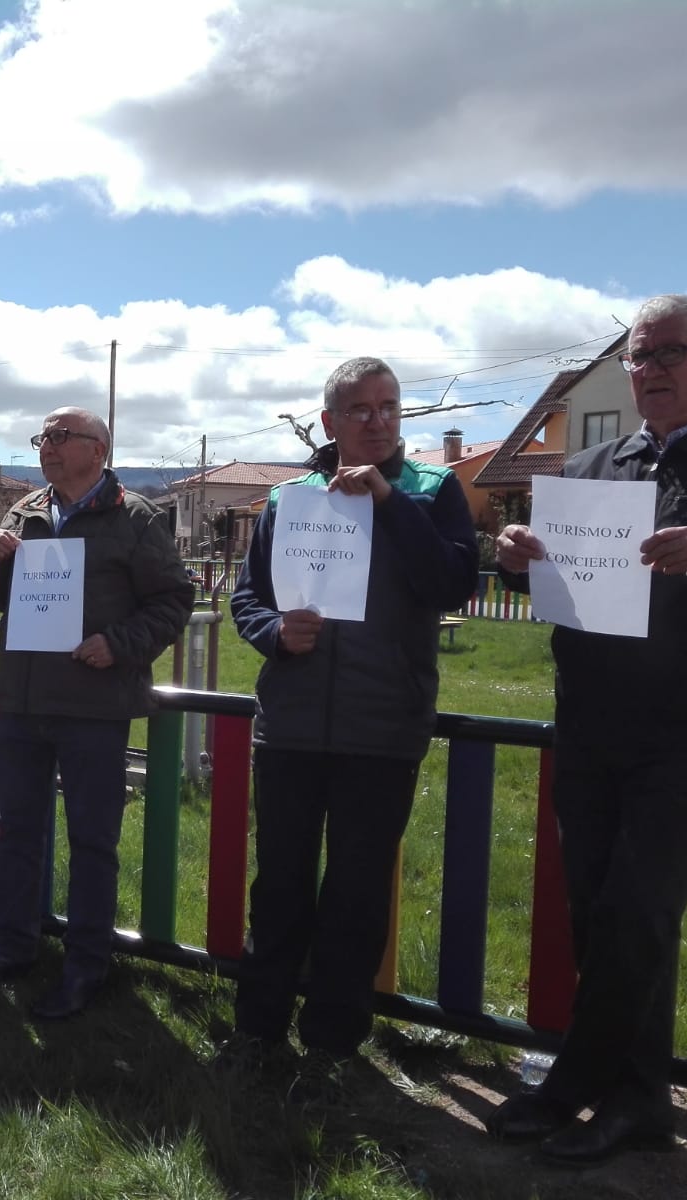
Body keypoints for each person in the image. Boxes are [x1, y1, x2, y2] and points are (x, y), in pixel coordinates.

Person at [489, 295, 687, 1163]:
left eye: (671, 352)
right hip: (589, 721)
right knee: (599, 911)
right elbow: (554, 586)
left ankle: (580, 1086)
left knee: (639, 912)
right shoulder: (588, 468)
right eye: (638, 356)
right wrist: (514, 562)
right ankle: (640, 1100)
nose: (652, 369)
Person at [224, 357, 478, 1090]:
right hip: (293, 723)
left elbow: (453, 581)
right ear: (330, 421)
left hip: (384, 723)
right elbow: (247, 597)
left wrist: (389, 502)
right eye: (360, 409)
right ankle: (257, 1030)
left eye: (390, 407)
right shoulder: (289, 498)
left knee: (358, 892)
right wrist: (275, 632)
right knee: (279, 887)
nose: (378, 421)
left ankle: (333, 1044)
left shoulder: (432, 492)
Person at [0, 406, 193, 1018]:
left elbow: (173, 599)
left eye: (62, 437)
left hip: (94, 705)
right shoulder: (26, 510)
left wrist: (119, 644)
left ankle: (87, 964)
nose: (48, 447)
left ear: (100, 448)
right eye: (43, 437)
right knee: (17, 831)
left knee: (93, 840)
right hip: (25, 699)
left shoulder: (134, 518)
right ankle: (13, 946)